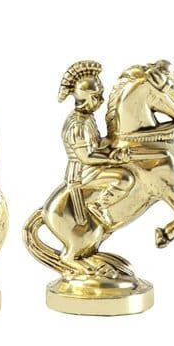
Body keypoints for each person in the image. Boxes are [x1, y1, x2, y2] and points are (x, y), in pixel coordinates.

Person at [56, 60, 132, 229]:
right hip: (82, 172)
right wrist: (112, 159)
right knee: (125, 178)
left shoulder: (87, 118)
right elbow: (86, 158)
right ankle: (99, 205)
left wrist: (114, 140)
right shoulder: (78, 125)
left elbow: (96, 144)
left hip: (89, 165)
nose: (102, 100)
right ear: (84, 99)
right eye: (96, 97)